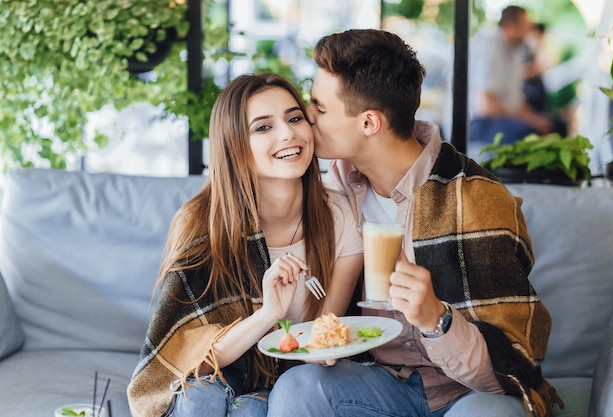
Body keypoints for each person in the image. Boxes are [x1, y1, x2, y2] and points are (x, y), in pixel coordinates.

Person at [267, 29, 563, 417]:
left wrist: (436, 320)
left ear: (369, 122)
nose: (307, 116)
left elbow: (510, 372)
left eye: (320, 108)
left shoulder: (475, 199)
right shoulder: (334, 193)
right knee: (298, 389)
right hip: (378, 381)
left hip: (465, 392)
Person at [127, 73, 364, 417]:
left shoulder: (339, 215)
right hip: (225, 372)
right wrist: (268, 313)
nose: (288, 133)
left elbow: (324, 333)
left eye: (295, 118)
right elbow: (194, 360)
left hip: (299, 378)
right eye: (263, 127)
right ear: (234, 145)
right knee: (198, 400)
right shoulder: (199, 223)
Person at [468, 6, 566, 161]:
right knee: (526, 133)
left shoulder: (517, 50)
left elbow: (518, 101)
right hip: (477, 123)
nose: (529, 29)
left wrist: (535, 118)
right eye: (524, 24)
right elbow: (487, 107)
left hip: (504, 117)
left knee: (558, 126)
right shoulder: (489, 47)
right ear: (509, 26)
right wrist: (529, 120)